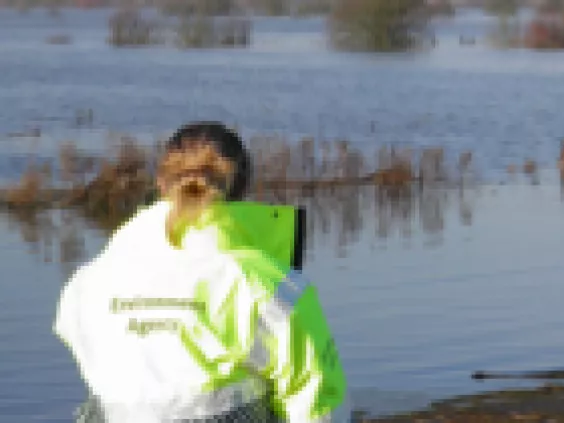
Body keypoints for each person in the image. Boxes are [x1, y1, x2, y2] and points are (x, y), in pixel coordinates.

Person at [54, 122, 351, 423]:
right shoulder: (268, 282)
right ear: (243, 188)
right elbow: (314, 395)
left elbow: (84, 347)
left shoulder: (86, 282)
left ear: (161, 183)